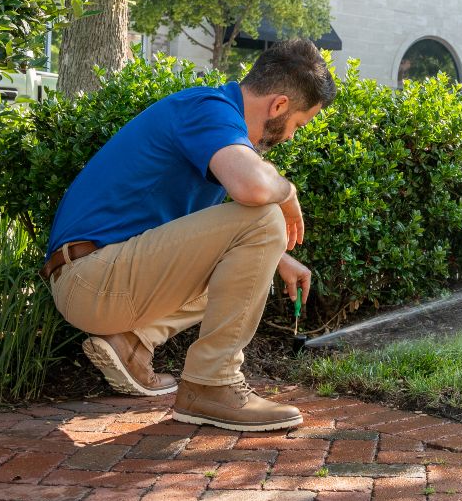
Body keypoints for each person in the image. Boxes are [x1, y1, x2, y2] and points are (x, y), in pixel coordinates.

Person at [41, 39, 333, 432]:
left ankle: (132, 344)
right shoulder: (208, 109)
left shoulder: (215, 125)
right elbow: (254, 190)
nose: (292, 137)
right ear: (279, 105)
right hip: (93, 277)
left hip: (101, 278)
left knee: (254, 254)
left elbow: (203, 237)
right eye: (299, 124)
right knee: (264, 216)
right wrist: (288, 193)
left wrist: (276, 257)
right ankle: (213, 384)